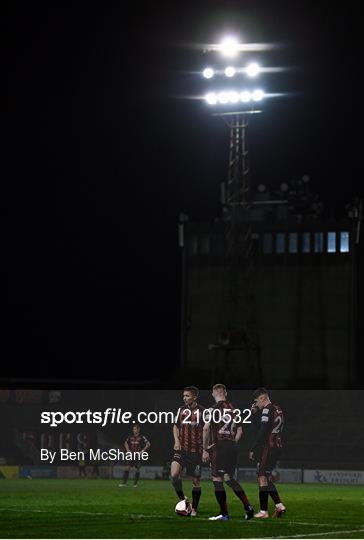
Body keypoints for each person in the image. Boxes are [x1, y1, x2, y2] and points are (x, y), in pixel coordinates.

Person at [202, 384, 254, 521]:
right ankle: (248, 507)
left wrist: (205, 448)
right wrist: (232, 443)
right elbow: (240, 431)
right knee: (229, 479)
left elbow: (206, 428)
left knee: (217, 479)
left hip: (219, 446)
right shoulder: (234, 409)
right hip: (232, 446)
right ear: (225, 393)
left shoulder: (212, 409)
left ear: (214, 393)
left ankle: (224, 514)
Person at [249, 387, 286, 518]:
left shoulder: (266, 409)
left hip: (269, 447)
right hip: (278, 446)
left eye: (256, 401)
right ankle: (279, 505)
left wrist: (254, 447)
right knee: (266, 476)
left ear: (262, 398)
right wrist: (255, 414)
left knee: (261, 476)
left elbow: (263, 429)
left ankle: (264, 511)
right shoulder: (278, 409)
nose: (256, 404)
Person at [171, 386, 205, 517]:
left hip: (196, 452)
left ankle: (194, 509)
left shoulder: (203, 411)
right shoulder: (181, 410)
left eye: (187, 396)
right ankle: (183, 500)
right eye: (184, 396)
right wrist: (177, 441)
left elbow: (208, 430)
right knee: (174, 474)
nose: (184, 398)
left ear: (195, 397)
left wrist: (206, 450)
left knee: (196, 481)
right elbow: (176, 426)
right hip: (182, 449)